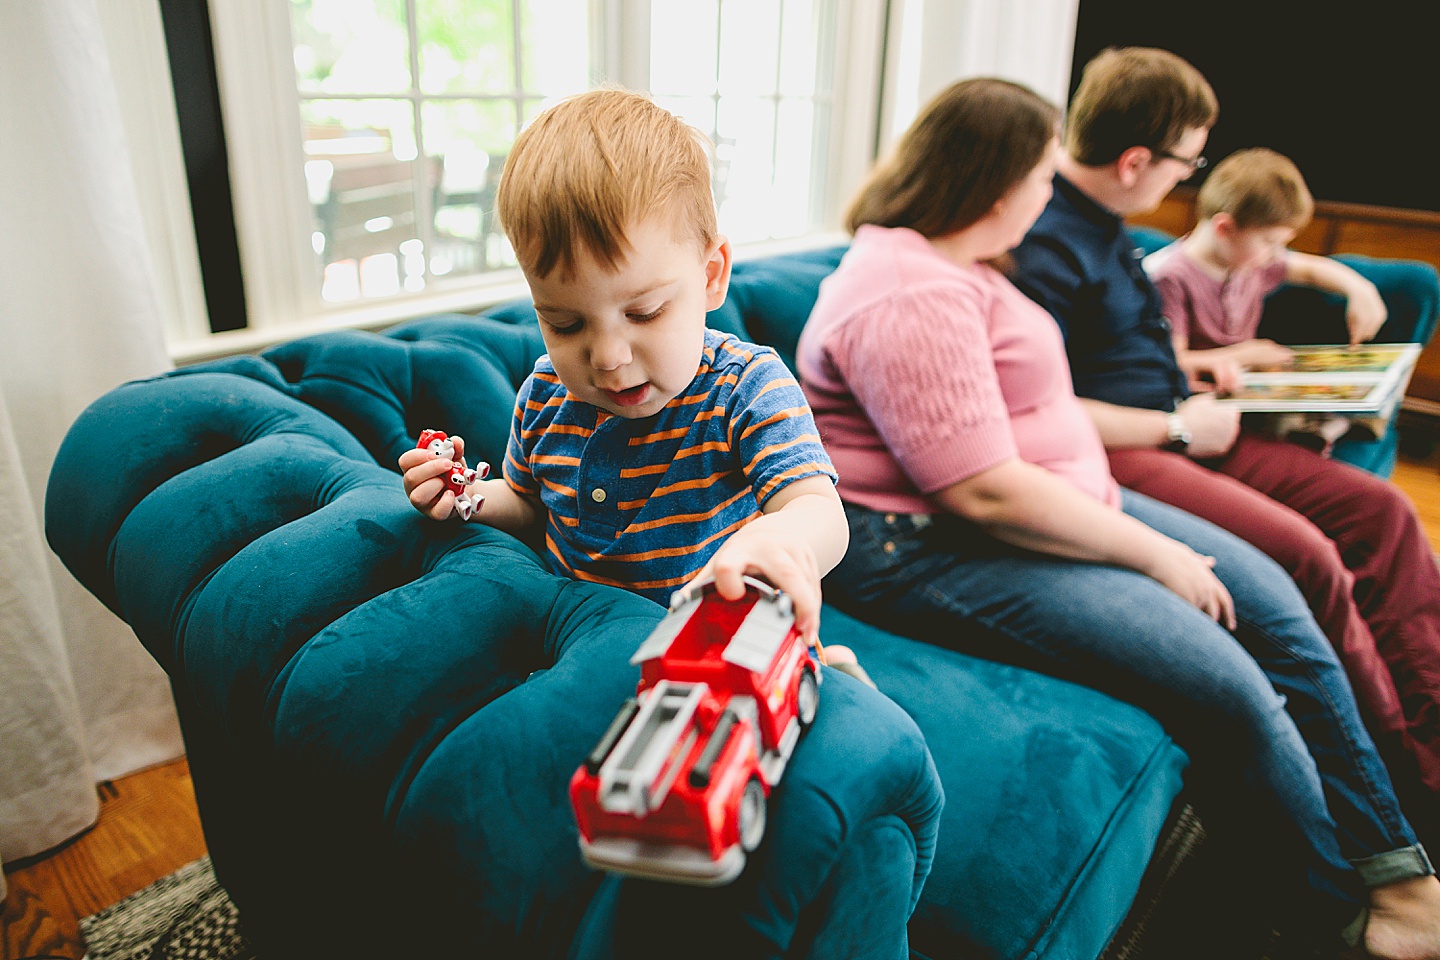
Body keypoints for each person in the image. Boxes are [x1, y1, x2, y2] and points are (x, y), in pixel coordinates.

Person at [796, 75, 1440, 958]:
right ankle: (1343, 915)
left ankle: (1396, 867)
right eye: (1041, 170)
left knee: (1280, 604)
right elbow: (977, 488)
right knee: (1230, 684)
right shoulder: (907, 289)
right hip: (928, 543)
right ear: (996, 181)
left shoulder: (957, 262)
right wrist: (1153, 553)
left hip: (1056, 497)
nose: (1051, 186)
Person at [1009, 46, 1440, 829]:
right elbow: (1041, 407)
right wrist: (1177, 422)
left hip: (1188, 420)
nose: (1188, 174)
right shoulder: (1044, 241)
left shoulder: (1105, 226)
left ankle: (1432, 718)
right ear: (1138, 161)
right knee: (1308, 555)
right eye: (1187, 159)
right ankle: (1413, 778)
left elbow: (1131, 347)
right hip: (1134, 446)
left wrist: (1208, 373)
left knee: (1383, 511)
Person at [399, 88, 866, 680]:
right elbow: (528, 506)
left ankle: (838, 670)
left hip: (720, 657)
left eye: (644, 313)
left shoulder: (745, 389)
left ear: (711, 275)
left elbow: (818, 509)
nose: (609, 359)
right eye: (565, 324)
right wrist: (461, 495)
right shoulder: (545, 395)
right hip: (589, 654)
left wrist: (783, 542)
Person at [1144, 146, 1388, 450]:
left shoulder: (1249, 261)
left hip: (1247, 380)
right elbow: (1171, 360)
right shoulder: (1172, 277)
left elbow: (1311, 270)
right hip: (1201, 393)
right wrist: (1243, 355)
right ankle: (1315, 428)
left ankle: (1330, 421)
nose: (1276, 254)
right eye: (1270, 242)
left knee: (1363, 396)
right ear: (1225, 228)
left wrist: (1360, 290)